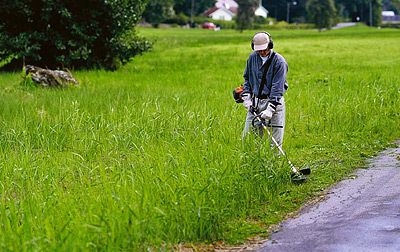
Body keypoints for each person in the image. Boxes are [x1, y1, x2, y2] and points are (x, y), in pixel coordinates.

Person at [241, 31, 288, 147]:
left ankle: (275, 164)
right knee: (248, 139)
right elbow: (247, 78)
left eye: (264, 49)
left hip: (274, 103)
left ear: (270, 45)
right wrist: (246, 96)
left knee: (275, 143)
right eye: (259, 50)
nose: (262, 53)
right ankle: (252, 164)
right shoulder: (252, 58)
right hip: (255, 104)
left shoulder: (279, 62)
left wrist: (271, 109)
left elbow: (278, 87)